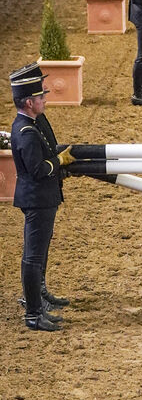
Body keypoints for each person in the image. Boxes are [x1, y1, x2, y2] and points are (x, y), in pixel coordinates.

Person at [10, 63, 75, 332]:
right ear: (29, 102)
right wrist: (59, 161)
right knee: (33, 257)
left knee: (39, 253)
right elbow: (38, 169)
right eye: (40, 97)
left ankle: (39, 298)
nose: (45, 99)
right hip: (37, 198)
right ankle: (33, 313)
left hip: (42, 197)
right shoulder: (26, 132)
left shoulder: (33, 123)